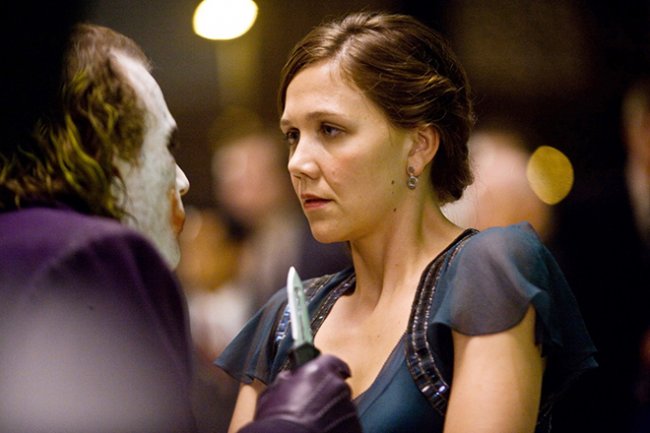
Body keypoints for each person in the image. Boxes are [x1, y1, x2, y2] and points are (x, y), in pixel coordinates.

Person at [216, 11, 597, 433]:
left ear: (419, 146)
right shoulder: (288, 315)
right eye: (293, 135)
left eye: (330, 129)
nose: (298, 163)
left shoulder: (487, 269)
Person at [0, 22, 359, 433]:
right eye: (165, 146)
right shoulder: (95, 257)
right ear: (100, 151)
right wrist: (289, 425)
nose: (183, 181)